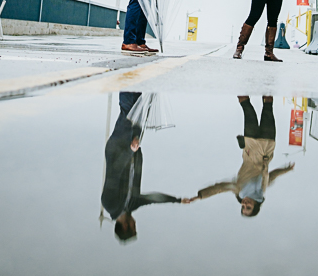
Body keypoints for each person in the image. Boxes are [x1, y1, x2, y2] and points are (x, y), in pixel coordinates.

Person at [183, 96, 295, 216]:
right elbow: (273, 175)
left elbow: (219, 188)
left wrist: (199, 197)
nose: (245, 204)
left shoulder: (239, 188)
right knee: (268, 104)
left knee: (245, 105)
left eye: (243, 206)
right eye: (248, 207)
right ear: (255, 205)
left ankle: (243, 81)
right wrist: (286, 169)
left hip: (251, 147)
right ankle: (266, 80)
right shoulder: (263, 188)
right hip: (268, 144)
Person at [101, 92, 185, 242]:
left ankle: (128, 82)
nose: (135, 224)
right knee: (138, 114)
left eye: (134, 227)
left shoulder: (110, 204)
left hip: (119, 148)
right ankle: (137, 84)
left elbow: (116, 171)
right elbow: (152, 199)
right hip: (132, 149)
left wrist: (129, 150)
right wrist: (176, 200)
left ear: (126, 227)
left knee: (128, 113)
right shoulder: (131, 205)